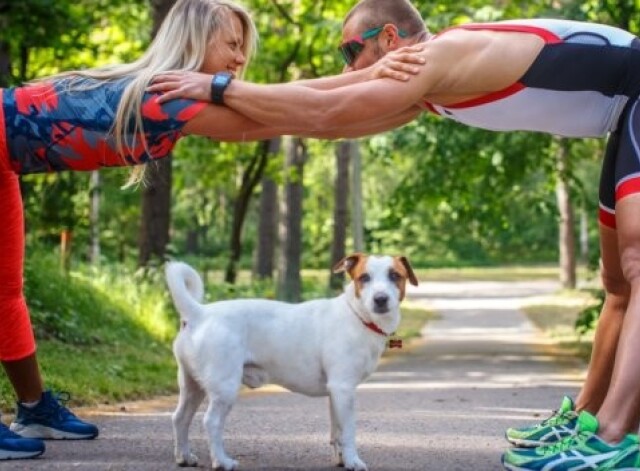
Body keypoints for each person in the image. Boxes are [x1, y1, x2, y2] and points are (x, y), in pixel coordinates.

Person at [148, 0, 640, 469]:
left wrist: (220, 87)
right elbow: (320, 113)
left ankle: (613, 441)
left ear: (390, 38)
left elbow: (325, 108)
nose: (348, 67)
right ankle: (587, 422)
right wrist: (178, 117)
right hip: (625, 112)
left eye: (353, 50)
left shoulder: (437, 58)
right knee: (618, 285)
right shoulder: (427, 91)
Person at [0, 0, 424, 461]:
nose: (241, 59)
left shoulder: (181, 94)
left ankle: (34, 406)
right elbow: (307, 114)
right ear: (195, 41)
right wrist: (379, 81)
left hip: (7, 162)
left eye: (244, 47)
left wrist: (401, 95)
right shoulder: (172, 99)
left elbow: (298, 100)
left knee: (6, 292)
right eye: (232, 44)